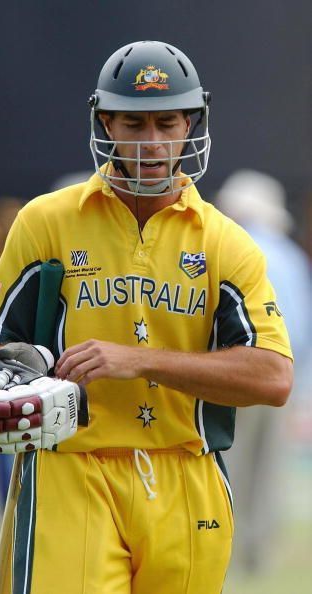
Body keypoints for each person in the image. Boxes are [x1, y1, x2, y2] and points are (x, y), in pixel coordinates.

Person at [0, 41, 293, 594]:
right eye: (133, 123)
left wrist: (136, 360)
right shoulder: (45, 221)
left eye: (167, 123)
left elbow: (273, 377)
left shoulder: (226, 243)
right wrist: (18, 377)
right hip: (74, 467)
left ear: (191, 124)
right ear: (104, 123)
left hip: (187, 474)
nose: (151, 143)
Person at [215, 169, 311, 573]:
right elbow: (302, 327)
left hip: (238, 374)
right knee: (267, 473)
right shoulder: (289, 254)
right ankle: (258, 558)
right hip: (282, 379)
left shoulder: (233, 249)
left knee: (228, 467)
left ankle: (227, 555)